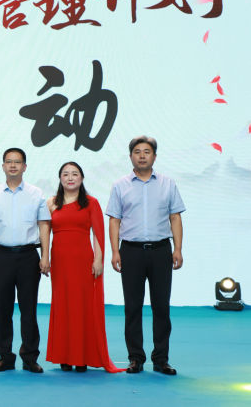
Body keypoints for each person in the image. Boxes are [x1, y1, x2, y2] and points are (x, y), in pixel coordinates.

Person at [106, 136, 185, 375]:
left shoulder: (168, 184)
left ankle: (161, 359)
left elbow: (175, 217)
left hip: (161, 251)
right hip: (131, 251)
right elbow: (114, 220)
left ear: (154, 156)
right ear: (131, 156)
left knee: (161, 307)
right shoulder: (120, 185)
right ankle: (135, 358)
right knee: (132, 307)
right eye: (137, 151)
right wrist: (115, 251)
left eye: (147, 151)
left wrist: (178, 248)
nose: (142, 155)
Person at [45, 162, 123, 373]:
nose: (70, 178)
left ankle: (81, 357)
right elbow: (44, 233)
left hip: (83, 260)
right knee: (62, 305)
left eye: (75, 174)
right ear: (60, 178)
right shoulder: (51, 203)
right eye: (65, 174)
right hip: (60, 261)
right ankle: (64, 355)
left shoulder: (91, 203)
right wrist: (45, 258)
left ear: (82, 178)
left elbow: (98, 233)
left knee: (82, 306)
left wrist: (98, 259)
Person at [0, 147, 50, 373]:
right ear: (3, 166)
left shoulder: (36, 194)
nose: (13, 165)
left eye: (17, 162)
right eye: (9, 162)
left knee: (29, 309)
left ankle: (30, 357)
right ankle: (5, 356)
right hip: (1, 256)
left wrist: (45, 256)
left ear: (24, 167)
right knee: (3, 310)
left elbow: (44, 225)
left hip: (29, 256)